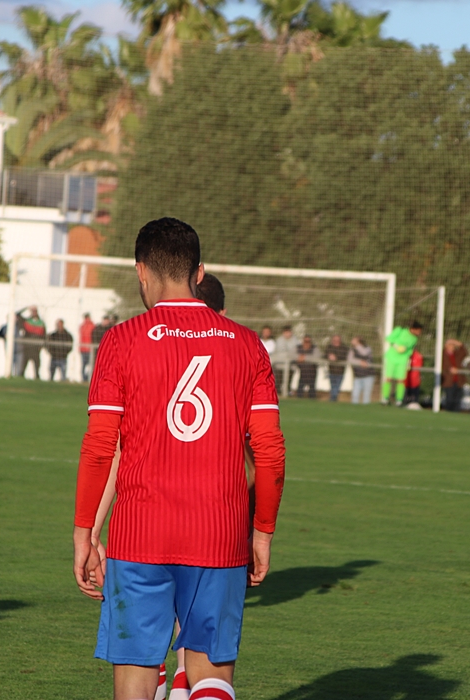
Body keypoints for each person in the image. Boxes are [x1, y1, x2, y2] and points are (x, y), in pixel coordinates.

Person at [72, 217, 285, 700]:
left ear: (141, 272)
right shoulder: (249, 345)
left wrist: (85, 532)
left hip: (139, 534)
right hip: (220, 530)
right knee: (209, 675)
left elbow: (101, 445)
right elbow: (270, 453)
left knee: (137, 677)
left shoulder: (121, 340)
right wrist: (263, 531)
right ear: (200, 272)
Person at [16, 307, 46, 379]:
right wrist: (27, 307)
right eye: (32, 311)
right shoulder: (26, 322)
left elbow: (44, 336)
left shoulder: (41, 323)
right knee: (24, 364)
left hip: (36, 348)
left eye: (35, 311)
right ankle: (21, 377)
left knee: (37, 365)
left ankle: (37, 378)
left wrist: (41, 346)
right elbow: (17, 314)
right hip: (27, 347)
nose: (34, 313)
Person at [440, 338, 467, 412]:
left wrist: (457, 342)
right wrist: (449, 369)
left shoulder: (456, 354)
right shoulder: (442, 355)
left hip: (458, 380)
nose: (452, 347)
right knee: (449, 398)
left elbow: (464, 351)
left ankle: (456, 412)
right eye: (450, 345)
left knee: (457, 398)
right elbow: (442, 365)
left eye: (453, 345)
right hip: (448, 381)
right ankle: (448, 412)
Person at [271, 326, 296, 396]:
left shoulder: (295, 341)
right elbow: (277, 353)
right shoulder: (279, 341)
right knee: (278, 379)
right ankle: (276, 392)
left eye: (289, 332)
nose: (287, 334)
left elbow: (295, 353)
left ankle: (288, 392)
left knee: (288, 380)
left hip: (291, 365)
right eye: (286, 332)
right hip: (279, 364)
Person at [349, 336, 374, 405]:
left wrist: (357, 345)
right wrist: (360, 362)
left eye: (354, 340)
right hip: (358, 376)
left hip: (368, 375)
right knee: (355, 394)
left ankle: (366, 411)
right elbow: (350, 360)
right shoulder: (352, 349)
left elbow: (364, 353)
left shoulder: (367, 348)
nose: (352, 341)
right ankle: (354, 410)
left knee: (366, 395)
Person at [324, 335, 349, 402]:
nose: (335, 341)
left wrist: (336, 358)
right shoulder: (329, 347)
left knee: (337, 387)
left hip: (340, 371)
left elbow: (345, 356)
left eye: (337, 339)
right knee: (332, 386)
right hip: (331, 371)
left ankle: (332, 399)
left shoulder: (344, 348)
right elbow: (324, 355)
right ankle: (333, 399)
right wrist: (329, 356)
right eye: (334, 339)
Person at [79, 313, 95, 382]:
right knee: (86, 364)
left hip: (88, 349)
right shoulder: (83, 326)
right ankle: (85, 378)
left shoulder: (90, 326)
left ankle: (87, 378)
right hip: (84, 348)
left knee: (89, 365)